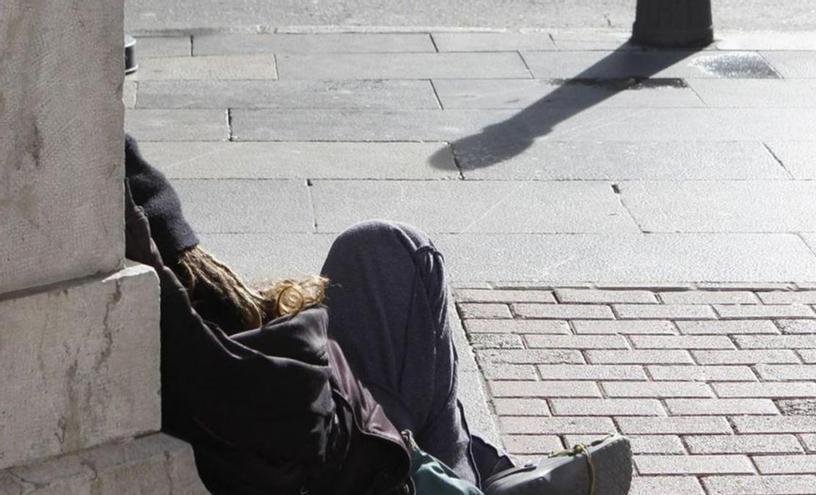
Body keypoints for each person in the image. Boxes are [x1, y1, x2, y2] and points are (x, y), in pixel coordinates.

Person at [123, 135, 633, 494]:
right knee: (392, 251)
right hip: (364, 462)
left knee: (375, 249)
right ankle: (476, 479)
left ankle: (483, 473)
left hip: (344, 438)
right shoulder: (204, 352)